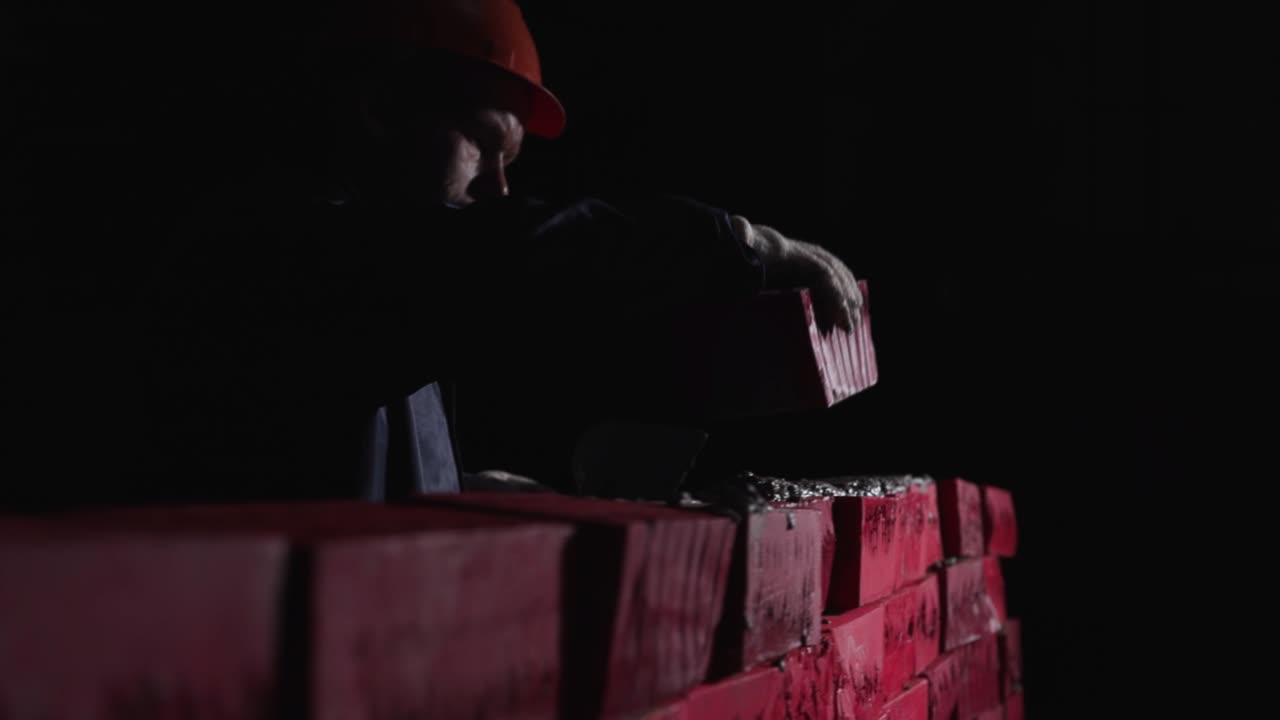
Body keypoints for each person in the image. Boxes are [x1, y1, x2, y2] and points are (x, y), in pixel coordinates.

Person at [3, 0, 863, 506]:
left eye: (510, 167)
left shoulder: (390, 269)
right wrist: (752, 244)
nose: (494, 189)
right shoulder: (286, 248)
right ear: (382, 110)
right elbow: (516, 254)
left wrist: (489, 495)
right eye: (481, 147)